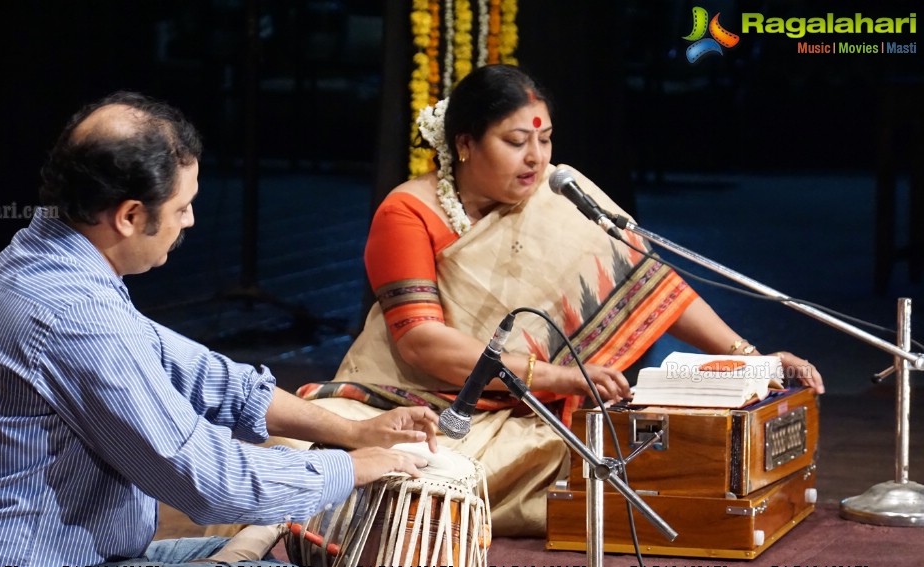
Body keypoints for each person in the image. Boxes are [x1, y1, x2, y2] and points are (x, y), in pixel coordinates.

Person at [0, 92, 440, 567]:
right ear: (130, 215)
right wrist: (353, 467)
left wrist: (352, 430)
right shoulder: (68, 310)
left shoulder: (54, 259)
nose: (191, 219)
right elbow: (205, 481)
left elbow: (210, 378)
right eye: (183, 206)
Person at [295, 64, 825, 538]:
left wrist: (751, 360)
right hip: (419, 406)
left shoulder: (561, 194)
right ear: (464, 143)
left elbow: (648, 285)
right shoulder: (409, 212)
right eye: (515, 141)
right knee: (331, 463)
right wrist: (561, 377)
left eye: (545, 139)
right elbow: (422, 344)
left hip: (531, 415)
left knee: (628, 458)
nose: (536, 157)